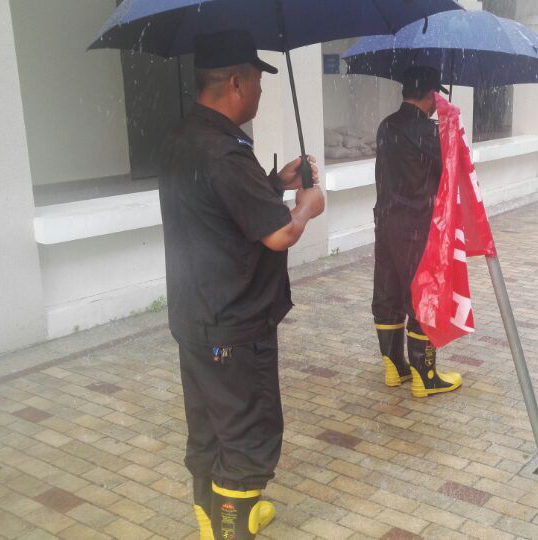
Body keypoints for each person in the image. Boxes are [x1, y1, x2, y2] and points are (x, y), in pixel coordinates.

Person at [158, 30, 325, 539]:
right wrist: (306, 207)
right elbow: (278, 234)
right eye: (256, 80)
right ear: (235, 81)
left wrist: (275, 184)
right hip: (233, 322)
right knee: (249, 437)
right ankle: (232, 527)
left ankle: (212, 522)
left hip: (195, 316)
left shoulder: (184, 137)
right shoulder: (225, 152)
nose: (260, 91)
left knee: (209, 427)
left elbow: (218, 206)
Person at [372, 65, 462, 398]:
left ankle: (395, 366)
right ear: (429, 95)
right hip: (417, 227)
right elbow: (450, 169)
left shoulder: (386, 126)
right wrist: (448, 130)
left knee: (388, 292)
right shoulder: (427, 132)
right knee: (423, 296)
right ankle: (425, 376)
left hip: (386, 223)